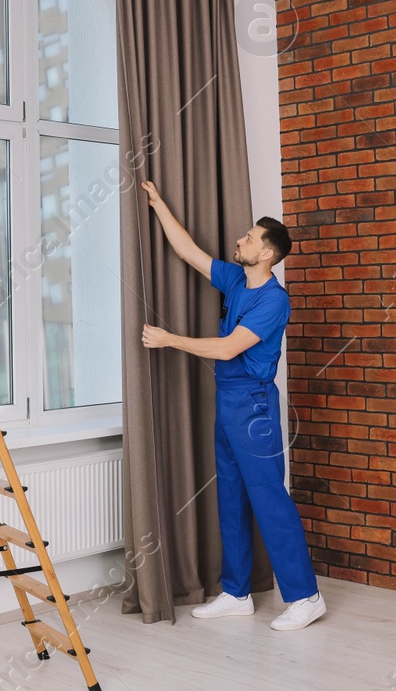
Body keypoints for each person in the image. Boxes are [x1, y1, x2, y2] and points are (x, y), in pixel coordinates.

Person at [138, 180, 325, 631]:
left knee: (269, 500)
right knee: (231, 498)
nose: (240, 239)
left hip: (254, 408)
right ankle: (236, 592)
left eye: (249, 237)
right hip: (228, 403)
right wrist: (160, 204)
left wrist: (168, 339)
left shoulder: (273, 300)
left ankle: (306, 596)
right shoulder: (237, 279)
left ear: (267, 254)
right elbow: (188, 252)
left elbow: (227, 349)